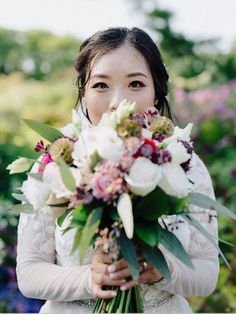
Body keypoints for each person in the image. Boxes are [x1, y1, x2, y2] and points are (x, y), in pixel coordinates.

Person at [16, 27, 219, 313]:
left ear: (157, 93)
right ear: (83, 93)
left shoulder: (185, 164)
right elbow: (29, 272)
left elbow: (207, 272)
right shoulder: (56, 165)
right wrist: (90, 278)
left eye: (135, 84)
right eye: (101, 85)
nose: (117, 102)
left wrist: (161, 270)